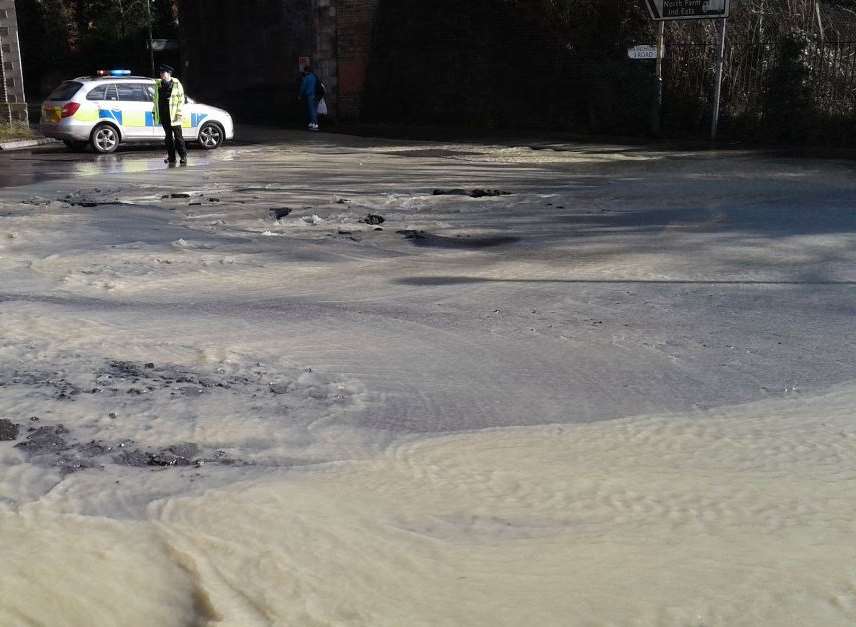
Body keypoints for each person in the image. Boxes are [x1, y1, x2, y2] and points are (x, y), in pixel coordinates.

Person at [153, 64, 188, 165]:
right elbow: (155, 99)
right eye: (160, 73)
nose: (161, 75)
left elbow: (181, 100)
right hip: (164, 114)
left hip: (174, 115)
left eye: (163, 73)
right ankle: (171, 157)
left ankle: (183, 156)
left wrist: (179, 113)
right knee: (168, 137)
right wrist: (155, 112)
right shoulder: (158, 84)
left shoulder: (176, 84)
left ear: (168, 74)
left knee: (178, 137)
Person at [299, 66, 321, 131]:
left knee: (311, 110)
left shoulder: (306, 78)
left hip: (310, 95)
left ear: (306, 71)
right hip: (317, 95)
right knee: (315, 109)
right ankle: (312, 122)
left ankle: (315, 123)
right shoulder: (314, 76)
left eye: (304, 71)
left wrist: (300, 95)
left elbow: (302, 87)